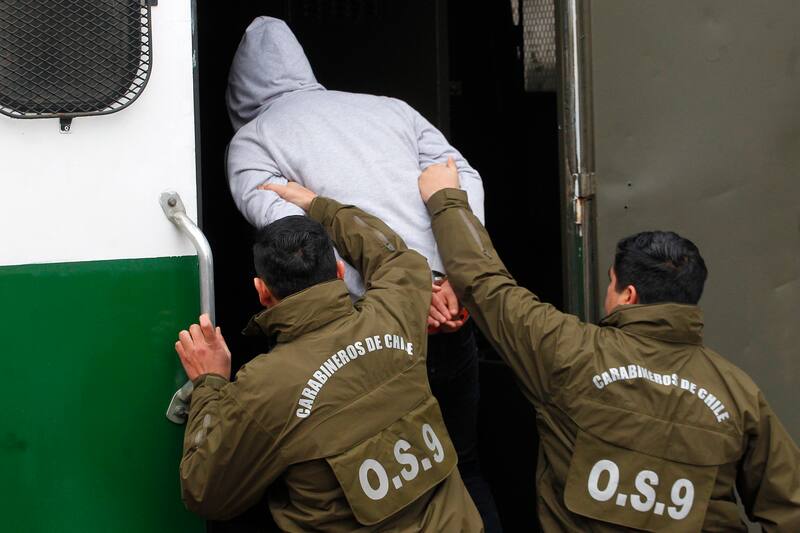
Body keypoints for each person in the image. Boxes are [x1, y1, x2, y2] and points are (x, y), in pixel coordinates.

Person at [415, 160, 800, 531]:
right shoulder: (739, 395)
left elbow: (486, 284)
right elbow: (789, 508)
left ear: (627, 294)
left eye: (612, 283)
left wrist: (446, 199)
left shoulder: (568, 352)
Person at [225, 16, 501, 529]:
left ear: (239, 91)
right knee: (461, 465)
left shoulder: (251, 141)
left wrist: (405, 297)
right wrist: (446, 276)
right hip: (449, 313)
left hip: (364, 339)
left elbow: (296, 241)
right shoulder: (390, 109)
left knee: (374, 492)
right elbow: (458, 177)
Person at [174, 188, 483, 531]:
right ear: (338, 271)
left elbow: (205, 493)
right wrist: (318, 205)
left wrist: (210, 384)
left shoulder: (264, 387)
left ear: (261, 290)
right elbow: (395, 256)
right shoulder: (395, 311)